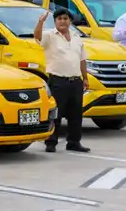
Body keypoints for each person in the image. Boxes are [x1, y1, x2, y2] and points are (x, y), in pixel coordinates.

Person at [35, 8, 91, 153]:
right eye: (59, 19)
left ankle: (74, 142)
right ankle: (51, 142)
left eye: (65, 19)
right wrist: (40, 22)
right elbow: (37, 37)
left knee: (76, 114)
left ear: (70, 21)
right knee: (56, 114)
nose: (62, 21)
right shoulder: (49, 35)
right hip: (58, 80)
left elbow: (82, 59)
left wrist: (85, 78)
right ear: (55, 21)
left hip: (75, 81)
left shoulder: (76, 36)